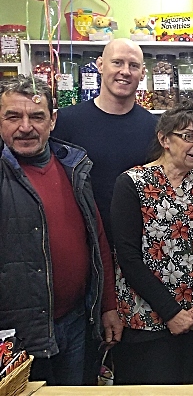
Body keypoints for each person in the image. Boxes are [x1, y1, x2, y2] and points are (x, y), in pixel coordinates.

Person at [0, 76, 121, 385]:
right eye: (13, 116)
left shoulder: (74, 167)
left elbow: (97, 240)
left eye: (36, 116)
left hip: (76, 322)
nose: (25, 127)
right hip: (16, 337)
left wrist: (107, 306)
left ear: (52, 121)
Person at [110, 101, 193, 384]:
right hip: (147, 321)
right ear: (164, 139)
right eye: (188, 136)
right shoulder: (131, 183)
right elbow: (128, 257)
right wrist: (170, 312)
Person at [53, 38, 157, 248]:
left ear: (143, 73)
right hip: (82, 242)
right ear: (100, 65)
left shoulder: (155, 128)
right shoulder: (66, 122)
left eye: (133, 65)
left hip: (138, 245)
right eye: (117, 62)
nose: (125, 71)